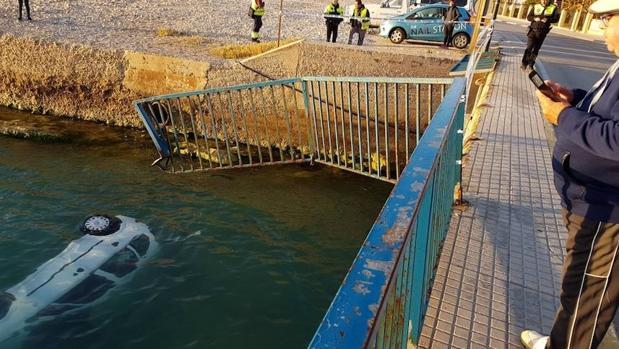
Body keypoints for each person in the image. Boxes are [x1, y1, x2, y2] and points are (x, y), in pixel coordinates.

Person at [520, 1, 619, 348]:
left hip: (608, 213)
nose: (603, 27)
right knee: (576, 289)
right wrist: (574, 99)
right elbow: (606, 113)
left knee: (586, 301)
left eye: (608, 19)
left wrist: (563, 117)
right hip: (588, 202)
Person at [522, 0, 559, 70]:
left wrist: (548, 20)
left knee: (536, 50)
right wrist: (534, 18)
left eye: (546, 0)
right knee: (529, 48)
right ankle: (524, 64)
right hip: (532, 31)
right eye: (543, 0)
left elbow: (556, 19)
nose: (544, 1)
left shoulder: (553, 8)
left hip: (542, 32)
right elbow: (528, 17)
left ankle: (531, 64)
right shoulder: (536, 6)